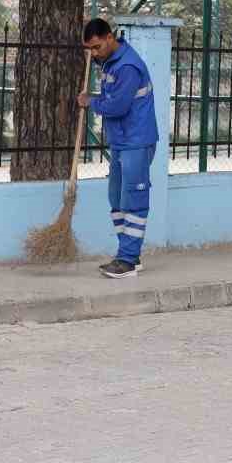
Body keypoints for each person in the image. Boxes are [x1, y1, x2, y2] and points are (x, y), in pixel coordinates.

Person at [77, 18, 158, 279]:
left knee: (133, 200)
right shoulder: (110, 61)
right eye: (90, 49)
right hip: (122, 141)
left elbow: (118, 106)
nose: (94, 54)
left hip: (137, 140)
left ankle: (127, 260)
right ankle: (128, 255)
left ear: (110, 37)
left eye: (97, 47)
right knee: (117, 199)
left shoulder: (128, 67)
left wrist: (91, 101)